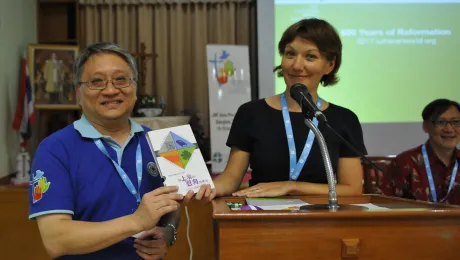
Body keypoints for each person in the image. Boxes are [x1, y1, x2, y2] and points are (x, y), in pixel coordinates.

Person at [28, 42, 193, 259]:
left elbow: (172, 204)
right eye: (97, 81)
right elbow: (56, 240)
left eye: (121, 79)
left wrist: (168, 232)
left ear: (135, 88)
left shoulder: (165, 142)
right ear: (79, 92)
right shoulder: (55, 149)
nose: (111, 90)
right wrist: (136, 221)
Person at [195, 18, 367, 201]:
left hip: (319, 220)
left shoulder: (343, 119)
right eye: (290, 54)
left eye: (310, 57)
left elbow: (352, 188)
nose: (297, 65)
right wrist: (206, 188)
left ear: (330, 65)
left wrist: (292, 187)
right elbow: (230, 179)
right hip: (261, 218)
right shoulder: (251, 113)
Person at [380, 99, 460, 204]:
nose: (449, 129)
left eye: (455, 122)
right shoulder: (405, 162)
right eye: (441, 122)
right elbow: (383, 205)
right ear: (425, 126)